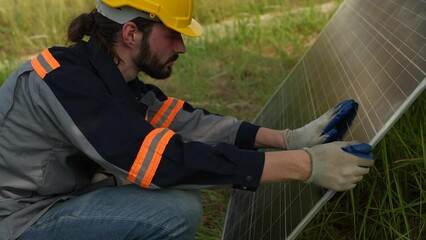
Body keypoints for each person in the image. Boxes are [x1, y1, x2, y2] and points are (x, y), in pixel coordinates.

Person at [0, 0, 374, 239]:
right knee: (173, 211)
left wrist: (288, 139)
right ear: (131, 32)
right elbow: (161, 161)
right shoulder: (64, 81)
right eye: (172, 34)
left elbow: (185, 123)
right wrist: (304, 166)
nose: (181, 46)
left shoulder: (107, 74)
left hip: (57, 197)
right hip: (19, 222)